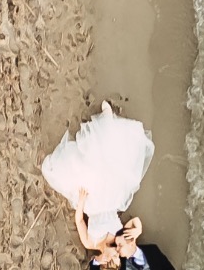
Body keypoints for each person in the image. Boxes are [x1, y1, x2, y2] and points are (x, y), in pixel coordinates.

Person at [41, 103, 153, 246]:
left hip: (90, 203)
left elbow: (80, 220)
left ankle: (102, 126)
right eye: (115, 259)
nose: (113, 257)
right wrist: (138, 229)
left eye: (109, 262)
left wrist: (81, 202)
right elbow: (135, 222)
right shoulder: (119, 241)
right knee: (110, 159)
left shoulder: (90, 244)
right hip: (113, 197)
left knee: (83, 169)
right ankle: (106, 119)